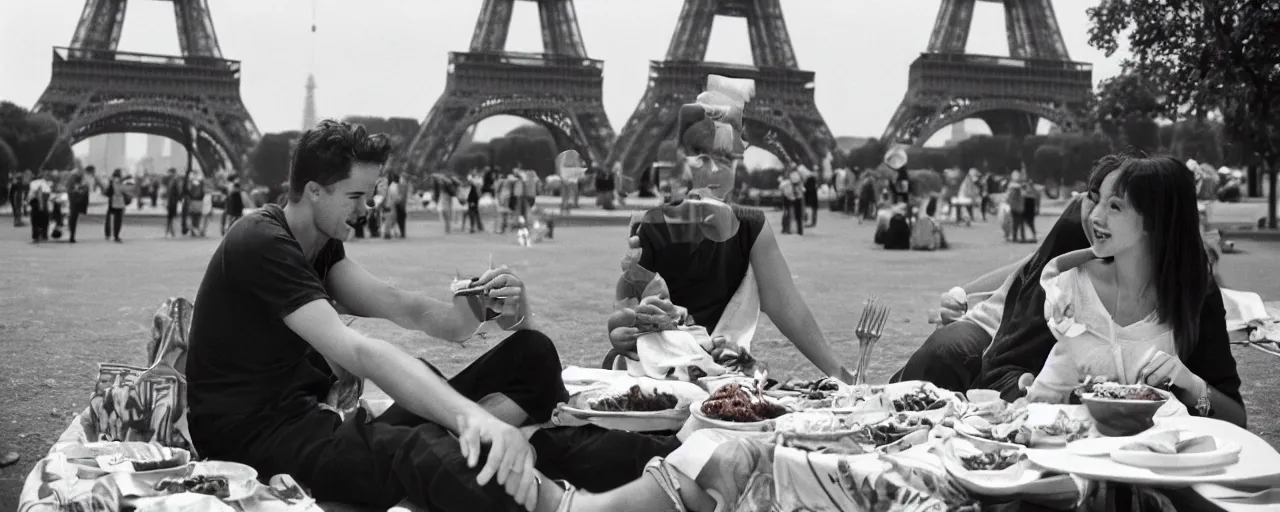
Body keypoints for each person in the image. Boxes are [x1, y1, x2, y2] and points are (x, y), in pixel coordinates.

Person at [184, 120, 676, 512]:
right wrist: (469, 419)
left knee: (531, 354)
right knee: (417, 445)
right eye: (356, 196)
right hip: (256, 438)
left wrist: (491, 305)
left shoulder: (322, 248)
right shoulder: (259, 242)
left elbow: (410, 310)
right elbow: (356, 349)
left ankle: (677, 458)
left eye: (371, 194)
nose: (369, 207)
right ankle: (566, 505)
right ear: (313, 190)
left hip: (308, 422)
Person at [1020, 156, 1245, 425]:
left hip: (1153, 459)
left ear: (1153, 220)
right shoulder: (1064, 289)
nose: (1095, 216)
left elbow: (1235, 420)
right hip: (1064, 450)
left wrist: (1193, 386)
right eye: (1098, 201)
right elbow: (1016, 373)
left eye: (1114, 207)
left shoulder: (1193, 296)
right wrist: (1026, 384)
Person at [104, 169, 128, 243]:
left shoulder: (111, 181)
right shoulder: (122, 181)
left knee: (108, 218)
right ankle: (116, 236)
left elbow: (107, 191)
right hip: (119, 202)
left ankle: (108, 234)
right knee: (118, 220)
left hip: (112, 201)